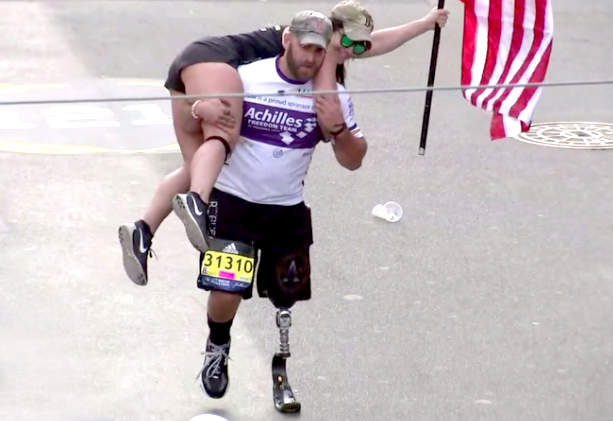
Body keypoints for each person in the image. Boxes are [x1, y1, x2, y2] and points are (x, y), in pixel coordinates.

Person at [118, 1, 450, 285]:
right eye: (348, 43)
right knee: (223, 134)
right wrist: (334, 124)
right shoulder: (322, 48)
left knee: (196, 166)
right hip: (211, 59)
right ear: (332, 33)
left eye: (359, 47)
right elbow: (326, 96)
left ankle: (143, 230)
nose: (353, 51)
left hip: (195, 60)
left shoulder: (330, 39)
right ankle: (196, 203)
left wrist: (424, 24)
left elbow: (375, 42)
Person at [186, 9, 363, 399]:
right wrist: (201, 109)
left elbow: (354, 160)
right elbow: (191, 110)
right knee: (226, 290)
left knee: (286, 296)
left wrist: (337, 128)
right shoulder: (247, 78)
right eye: (305, 47)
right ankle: (218, 346)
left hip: (286, 210)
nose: (311, 58)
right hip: (234, 203)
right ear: (286, 40)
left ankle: (280, 368)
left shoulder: (331, 96)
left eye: (319, 51)